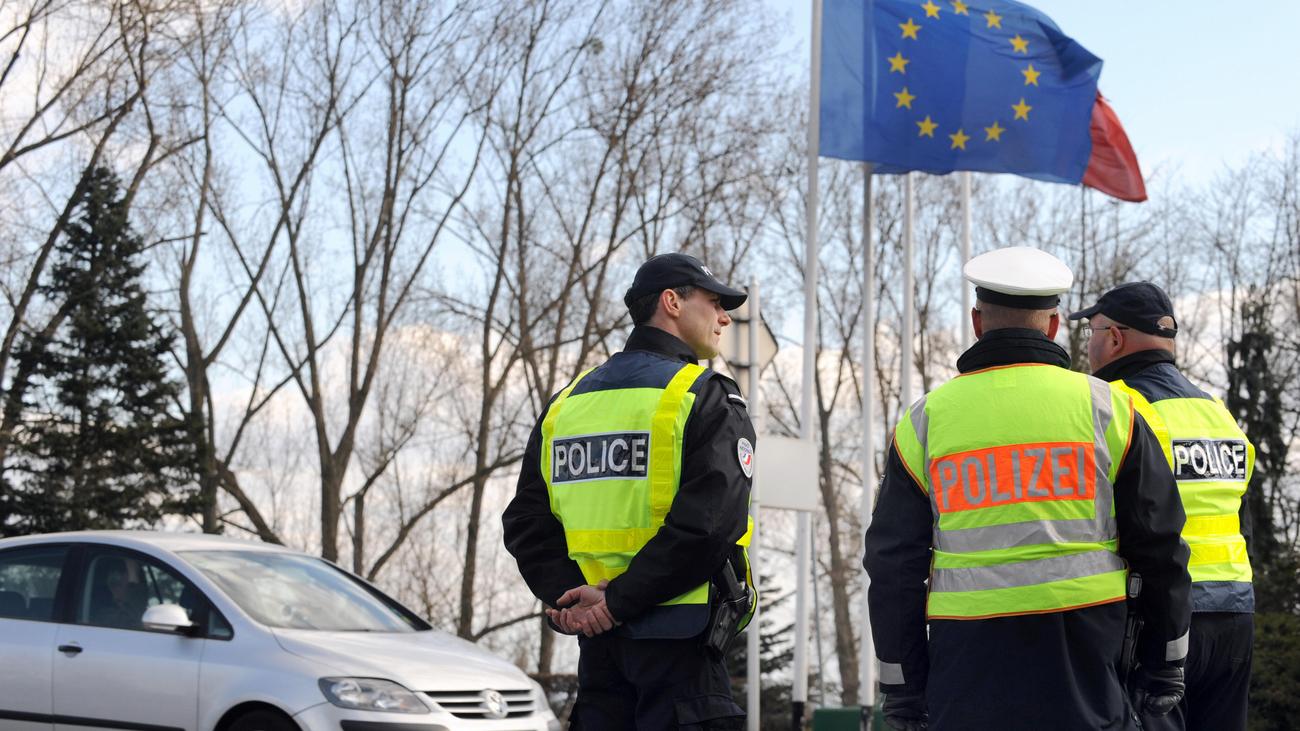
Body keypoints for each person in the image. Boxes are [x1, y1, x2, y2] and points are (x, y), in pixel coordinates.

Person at [863, 246, 1192, 731]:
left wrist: (903, 686)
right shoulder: (1110, 410)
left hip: (967, 659)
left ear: (977, 322)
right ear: (1054, 325)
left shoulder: (924, 421)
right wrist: (1165, 662)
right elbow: (1161, 545)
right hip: (1087, 656)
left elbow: (893, 566)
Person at [503, 252, 757, 730]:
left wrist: (572, 600)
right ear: (672, 302)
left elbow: (526, 522)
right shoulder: (706, 395)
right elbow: (708, 526)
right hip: (681, 657)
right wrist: (615, 604)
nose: (724, 317)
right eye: (714, 302)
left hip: (599, 659)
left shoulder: (566, 404)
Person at [1070, 282, 1256, 731]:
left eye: (1092, 331)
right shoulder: (1216, 411)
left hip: (1160, 616)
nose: (1089, 344)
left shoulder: (1117, 408)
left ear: (1115, 337)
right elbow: (1243, 520)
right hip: (1234, 614)